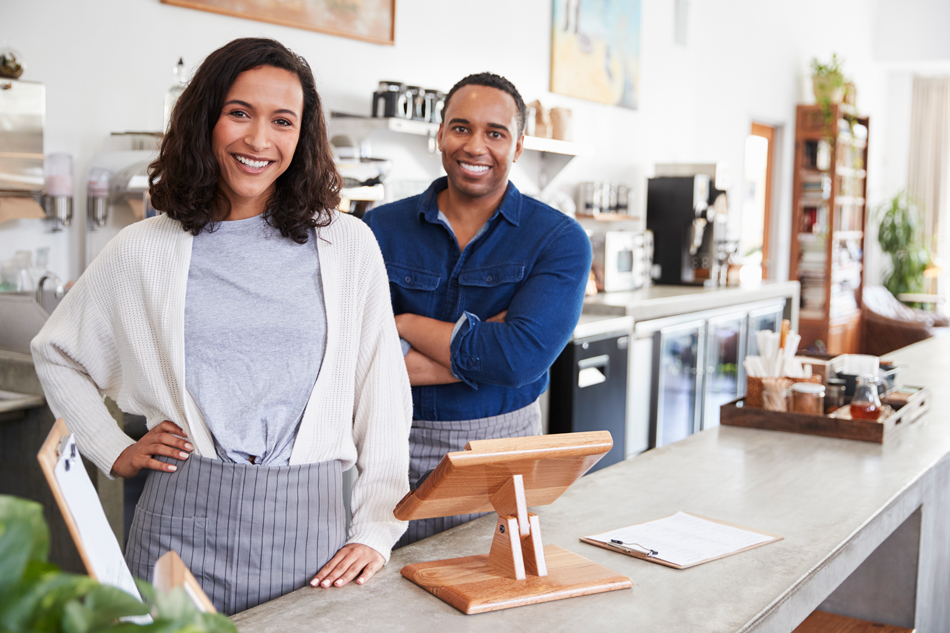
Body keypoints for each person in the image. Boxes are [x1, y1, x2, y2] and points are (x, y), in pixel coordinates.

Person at [31, 38, 412, 615]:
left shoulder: (347, 244)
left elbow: (382, 391)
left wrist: (376, 527)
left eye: (282, 121)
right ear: (205, 120)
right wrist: (112, 448)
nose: (259, 140)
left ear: (301, 137)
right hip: (178, 531)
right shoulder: (145, 248)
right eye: (239, 113)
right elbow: (56, 352)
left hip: (312, 534)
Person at [363, 73, 591, 546]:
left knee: (490, 592)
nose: (475, 146)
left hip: (503, 453)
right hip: (390, 444)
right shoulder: (379, 228)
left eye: (495, 132)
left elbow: (519, 360)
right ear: (440, 133)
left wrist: (402, 325)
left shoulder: (559, 239)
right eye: (461, 127)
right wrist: (483, 349)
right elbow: (355, 356)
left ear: (519, 145)